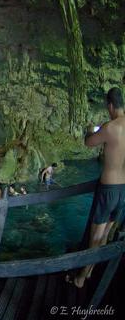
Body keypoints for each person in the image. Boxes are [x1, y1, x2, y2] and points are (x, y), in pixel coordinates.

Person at [67, 87, 125, 288]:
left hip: (108, 189)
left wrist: (92, 129)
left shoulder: (110, 127)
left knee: (95, 237)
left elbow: (88, 142)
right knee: (105, 236)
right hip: (122, 192)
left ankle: (81, 278)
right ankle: (90, 272)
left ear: (110, 105)